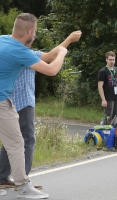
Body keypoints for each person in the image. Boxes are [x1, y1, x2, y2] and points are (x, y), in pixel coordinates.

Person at [0, 31, 81, 191]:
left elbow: (51, 54)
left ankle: (2, 177)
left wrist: (68, 41)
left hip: (9, 101)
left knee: (10, 142)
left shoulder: (10, 48)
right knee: (28, 140)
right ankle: (23, 182)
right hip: (22, 102)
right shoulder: (25, 54)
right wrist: (67, 43)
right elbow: (52, 64)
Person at [98, 51, 117, 124]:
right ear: (106, 59)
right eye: (110, 59)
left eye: (113, 59)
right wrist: (103, 99)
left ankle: (116, 131)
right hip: (108, 97)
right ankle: (106, 130)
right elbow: (100, 86)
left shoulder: (116, 69)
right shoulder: (103, 71)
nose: (112, 61)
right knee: (108, 116)